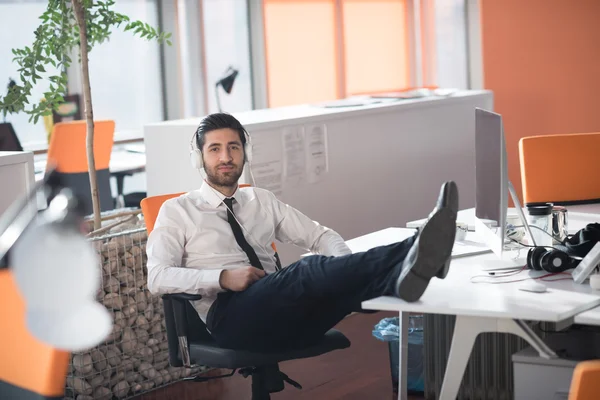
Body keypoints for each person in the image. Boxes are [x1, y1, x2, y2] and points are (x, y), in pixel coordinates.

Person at [146, 113, 458, 353]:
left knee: (339, 282)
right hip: (233, 320)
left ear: (245, 153)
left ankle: (402, 276)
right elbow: (157, 277)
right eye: (215, 149)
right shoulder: (177, 211)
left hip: (286, 315)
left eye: (233, 147)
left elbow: (320, 235)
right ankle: (415, 247)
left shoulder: (261, 199)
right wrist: (223, 277)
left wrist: (341, 269)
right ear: (199, 157)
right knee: (308, 269)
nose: (226, 157)